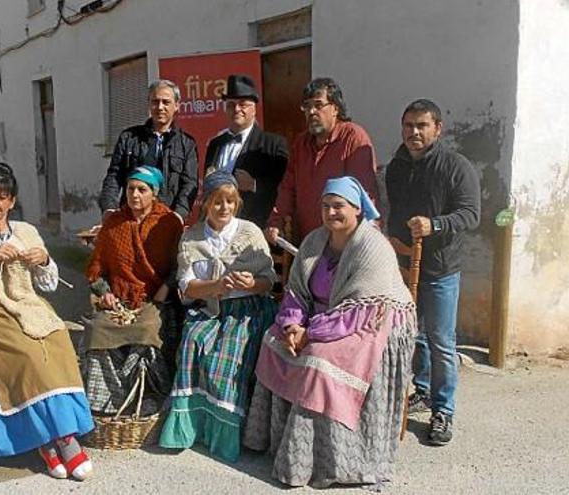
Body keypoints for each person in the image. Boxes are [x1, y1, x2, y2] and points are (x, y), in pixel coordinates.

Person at [243, 177, 417, 489]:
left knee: (319, 360)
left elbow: (359, 311)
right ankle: (274, 441)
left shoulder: (372, 246)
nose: (331, 212)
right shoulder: (314, 240)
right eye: (325, 206)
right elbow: (296, 292)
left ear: (357, 209)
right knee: (273, 341)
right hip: (323, 317)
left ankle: (320, 461)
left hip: (374, 322)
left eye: (339, 206)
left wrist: (310, 334)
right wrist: (291, 326)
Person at [0, 163, 94, 481]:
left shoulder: (27, 232)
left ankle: (60, 435)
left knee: (59, 342)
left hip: (27, 306)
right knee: (27, 356)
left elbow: (49, 285)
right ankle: (50, 440)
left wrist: (45, 260)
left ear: (12, 201)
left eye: (1, 197)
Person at [159, 170, 279, 462]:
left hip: (248, 311)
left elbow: (269, 281)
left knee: (226, 360)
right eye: (217, 202)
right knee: (192, 344)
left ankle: (222, 438)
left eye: (230, 201)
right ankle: (191, 430)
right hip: (210, 309)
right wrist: (215, 286)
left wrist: (252, 284)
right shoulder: (192, 238)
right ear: (206, 204)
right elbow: (186, 290)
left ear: (237, 203)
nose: (224, 208)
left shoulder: (250, 233)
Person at [384, 98, 481, 446]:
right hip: (405, 265)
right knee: (414, 334)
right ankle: (422, 389)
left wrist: (434, 225)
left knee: (441, 341)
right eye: (409, 125)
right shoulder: (396, 166)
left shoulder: (456, 166)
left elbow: (471, 214)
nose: (414, 132)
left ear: (437, 129)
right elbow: (395, 209)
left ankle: (443, 409)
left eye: (422, 125)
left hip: (440, 268)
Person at [82, 165, 185, 417]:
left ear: (154, 192)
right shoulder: (114, 223)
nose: (135, 195)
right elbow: (96, 268)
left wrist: (165, 289)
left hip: (154, 298)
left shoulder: (169, 222)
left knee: (147, 329)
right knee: (97, 329)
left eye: (142, 189)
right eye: (130, 189)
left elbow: (180, 264)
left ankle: (148, 394)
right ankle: (108, 401)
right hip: (119, 299)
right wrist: (104, 291)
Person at [265, 77, 378, 244]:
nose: (311, 112)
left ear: (335, 108)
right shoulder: (301, 143)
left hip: (345, 243)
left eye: (318, 105)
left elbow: (364, 193)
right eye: (307, 106)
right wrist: (276, 221)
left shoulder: (354, 138)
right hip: (308, 242)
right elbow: (288, 187)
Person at [98, 79, 199, 221]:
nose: (160, 107)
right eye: (155, 102)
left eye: (166, 102)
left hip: (167, 220)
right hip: (131, 218)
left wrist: (178, 216)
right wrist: (109, 208)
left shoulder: (186, 144)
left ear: (176, 106)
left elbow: (190, 184)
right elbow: (114, 176)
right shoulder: (129, 138)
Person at [203, 74, 289, 227]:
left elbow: (285, 189)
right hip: (216, 227)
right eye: (231, 105)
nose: (236, 109)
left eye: (243, 104)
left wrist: (254, 185)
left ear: (254, 109)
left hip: (253, 228)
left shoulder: (274, 144)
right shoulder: (215, 144)